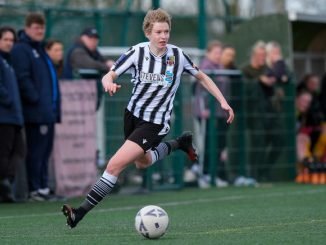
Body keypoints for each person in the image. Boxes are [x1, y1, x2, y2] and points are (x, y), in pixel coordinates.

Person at [61, 8, 234, 228]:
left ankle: (79, 213)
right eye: (158, 32)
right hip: (132, 116)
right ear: (148, 33)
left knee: (114, 166)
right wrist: (108, 82)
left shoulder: (177, 55)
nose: (163, 36)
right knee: (142, 163)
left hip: (155, 123)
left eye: (166, 31)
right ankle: (180, 143)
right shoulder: (137, 52)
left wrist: (222, 101)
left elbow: (202, 77)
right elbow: (109, 74)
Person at [11, 13, 61, 201]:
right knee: (36, 152)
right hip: (35, 113)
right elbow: (23, 78)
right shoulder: (22, 50)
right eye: (36, 27)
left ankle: (43, 188)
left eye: (42, 27)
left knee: (45, 152)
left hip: (47, 112)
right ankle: (35, 190)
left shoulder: (40, 49)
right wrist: (37, 99)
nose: (40, 31)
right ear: (27, 28)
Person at [242, 40, 281, 182]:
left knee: (279, 141)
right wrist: (259, 80)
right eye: (260, 55)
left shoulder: (268, 68)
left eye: (264, 55)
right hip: (254, 113)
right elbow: (243, 88)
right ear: (253, 55)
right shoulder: (246, 70)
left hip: (271, 112)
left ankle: (265, 169)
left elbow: (282, 78)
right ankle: (255, 175)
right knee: (258, 144)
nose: (262, 58)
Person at [192, 40, 229, 188]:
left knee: (218, 145)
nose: (218, 56)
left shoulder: (220, 67)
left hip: (219, 113)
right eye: (216, 52)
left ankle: (213, 174)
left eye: (220, 53)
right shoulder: (205, 67)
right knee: (207, 144)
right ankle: (203, 174)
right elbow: (199, 92)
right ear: (208, 53)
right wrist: (203, 110)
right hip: (207, 114)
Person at [0, 26, 25, 203]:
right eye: (6, 39)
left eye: (11, 40)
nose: (9, 43)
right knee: (4, 152)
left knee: (19, 151)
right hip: (3, 115)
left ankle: (6, 182)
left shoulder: (8, 61)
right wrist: (8, 100)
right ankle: (4, 184)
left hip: (13, 116)